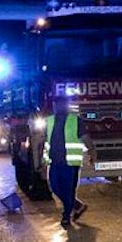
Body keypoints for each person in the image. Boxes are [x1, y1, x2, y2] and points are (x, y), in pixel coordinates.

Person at [43, 95, 87, 228]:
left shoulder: (75, 121)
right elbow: (45, 140)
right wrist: (41, 158)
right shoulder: (49, 121)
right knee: (55, 187)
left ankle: (66, 217)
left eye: (61, 105)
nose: (58, 107)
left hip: (70, 163)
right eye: (56, 105)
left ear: (66, 106)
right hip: (54, 161)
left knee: (68, 191)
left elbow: (85, 137)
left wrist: (92, 151)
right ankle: (77, 205)